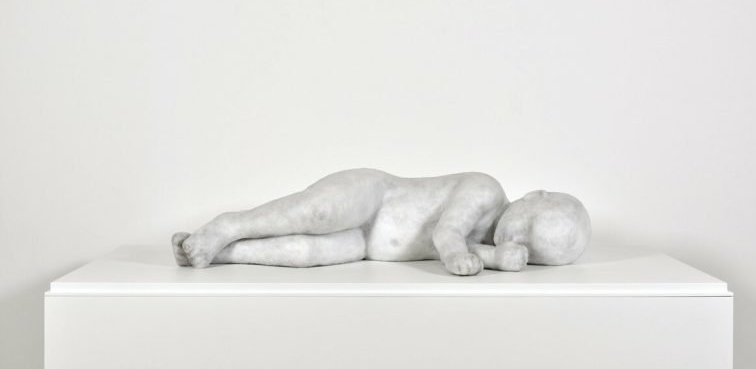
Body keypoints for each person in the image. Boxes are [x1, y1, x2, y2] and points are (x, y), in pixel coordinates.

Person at [172, 168, 590, 276]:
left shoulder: (487, 241)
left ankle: (219, 252)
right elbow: (448, 234)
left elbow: (472, 251)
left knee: (305, 253)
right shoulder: (486, 190)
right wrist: (461, 259)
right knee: (315, 214)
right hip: (376, 197)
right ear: (533, 195)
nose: (517, 240)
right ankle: (228, 225)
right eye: (527, 229)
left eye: (531, 251)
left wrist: (497, 259)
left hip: (368, 246)